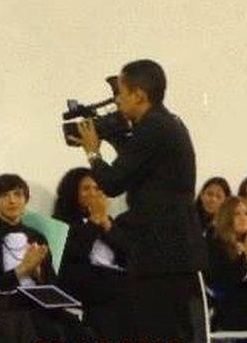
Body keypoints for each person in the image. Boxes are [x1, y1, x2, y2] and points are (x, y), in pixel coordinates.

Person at [74, 59, 207, 342]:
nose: (117, 101)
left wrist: (92, 152)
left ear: (139, 94)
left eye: (120, 92)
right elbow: (136, 167)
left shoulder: (154, 128)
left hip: (162, 254)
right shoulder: (164, 124)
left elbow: (112, 183)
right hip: (169, 251)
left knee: (160, 332)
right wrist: (115, 139)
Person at [0, 174, 90, 342]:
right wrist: (22, 270)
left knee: (80, 330)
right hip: (9, 306)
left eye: (18, 194)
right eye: (5, 195)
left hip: (39, 304)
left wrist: (39, 274)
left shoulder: (37, 237)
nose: (12, 201)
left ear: (26, 200)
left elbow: (53, 281)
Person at [53, 167, 129, 342]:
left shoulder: (110, 222)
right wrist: (94, 221)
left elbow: (128, 256)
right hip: (85, 287)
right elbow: (75, 253)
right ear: (73, 193)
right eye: (86, 189)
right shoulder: (61, 223)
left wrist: (106, 225)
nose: (93, 194)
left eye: (97, 189)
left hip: (115, 286)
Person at [205, 196, 247, 331]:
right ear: (227, 217)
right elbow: (227, 282)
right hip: (228, 313)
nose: (243, 218)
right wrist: (243, 256)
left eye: (246, 213)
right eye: (237, 213)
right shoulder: (216, 244)